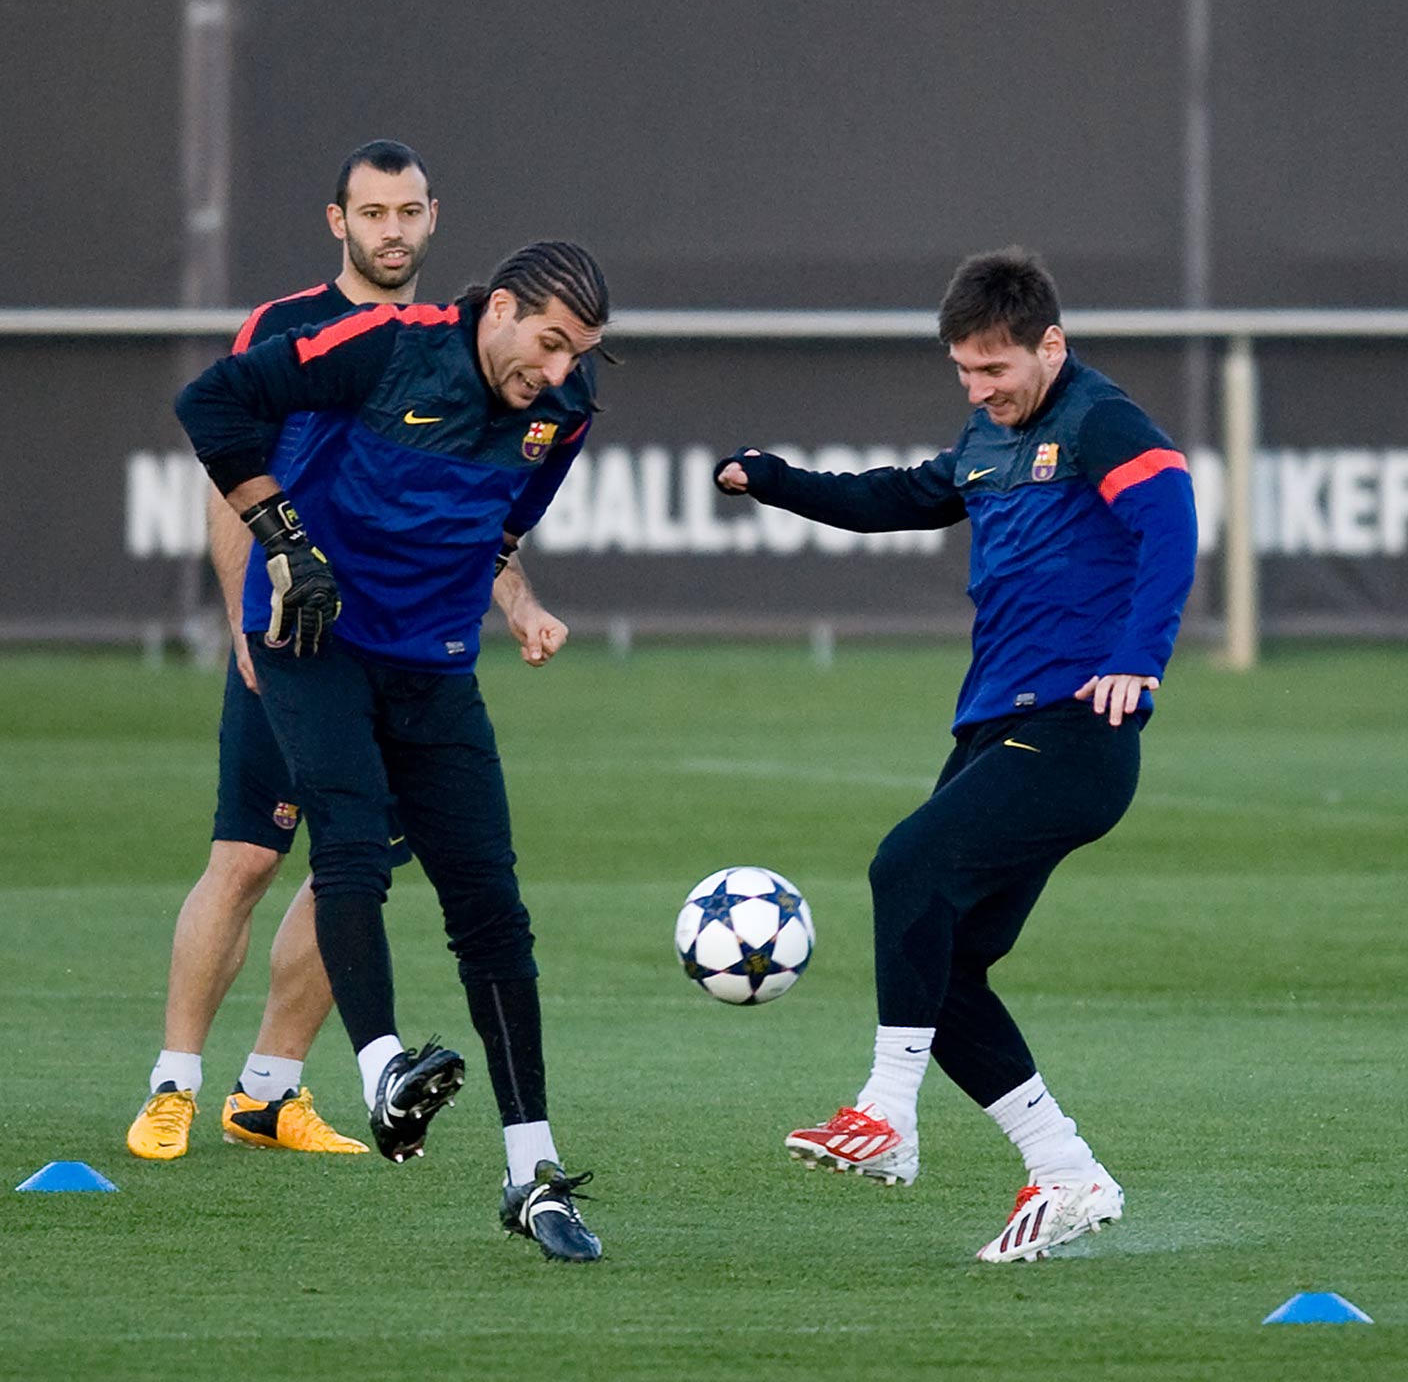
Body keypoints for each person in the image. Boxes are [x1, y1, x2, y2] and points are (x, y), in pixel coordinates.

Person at [715, 248, 1196, 1262]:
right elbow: (898, 494)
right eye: (964, 373)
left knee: (903, 866)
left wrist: (1137, 659)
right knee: (947, 969)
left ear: (1049, 346)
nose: (980, 391)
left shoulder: (1097, 419)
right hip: (991, 728)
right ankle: (1066, 1174)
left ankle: (885, 1118)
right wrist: (773, 482)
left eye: (995, 370)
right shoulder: (987, 435)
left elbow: (1170, 517)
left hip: (1073, 728)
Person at [128, 141, 573, 1160]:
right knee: (243, 858)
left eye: (408, 212)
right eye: (371, 213)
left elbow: (474, 519)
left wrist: (517, 602)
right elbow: (226, 467)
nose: (391, 231)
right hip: (292, 636)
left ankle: (270, 1089)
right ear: (337, 221)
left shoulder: (471, 361)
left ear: (431, 219)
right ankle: (172, 1084)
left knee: (355, 862)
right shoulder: (292, 329)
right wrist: (250, 614)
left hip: (402, 653)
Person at [174, 240, 612, 1262]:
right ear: (498, 307)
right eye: (546, 342)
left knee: (492, 913)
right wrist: (283, 538)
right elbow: (212, 403)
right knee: (352, 846)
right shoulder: (383, 344)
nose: (554, 371)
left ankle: (531, 1174)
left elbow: (498, 530)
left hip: (434, 667)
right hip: (311, 639)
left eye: (575, 353)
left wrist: (515, 604)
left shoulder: (565, 408)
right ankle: (379, 1070)